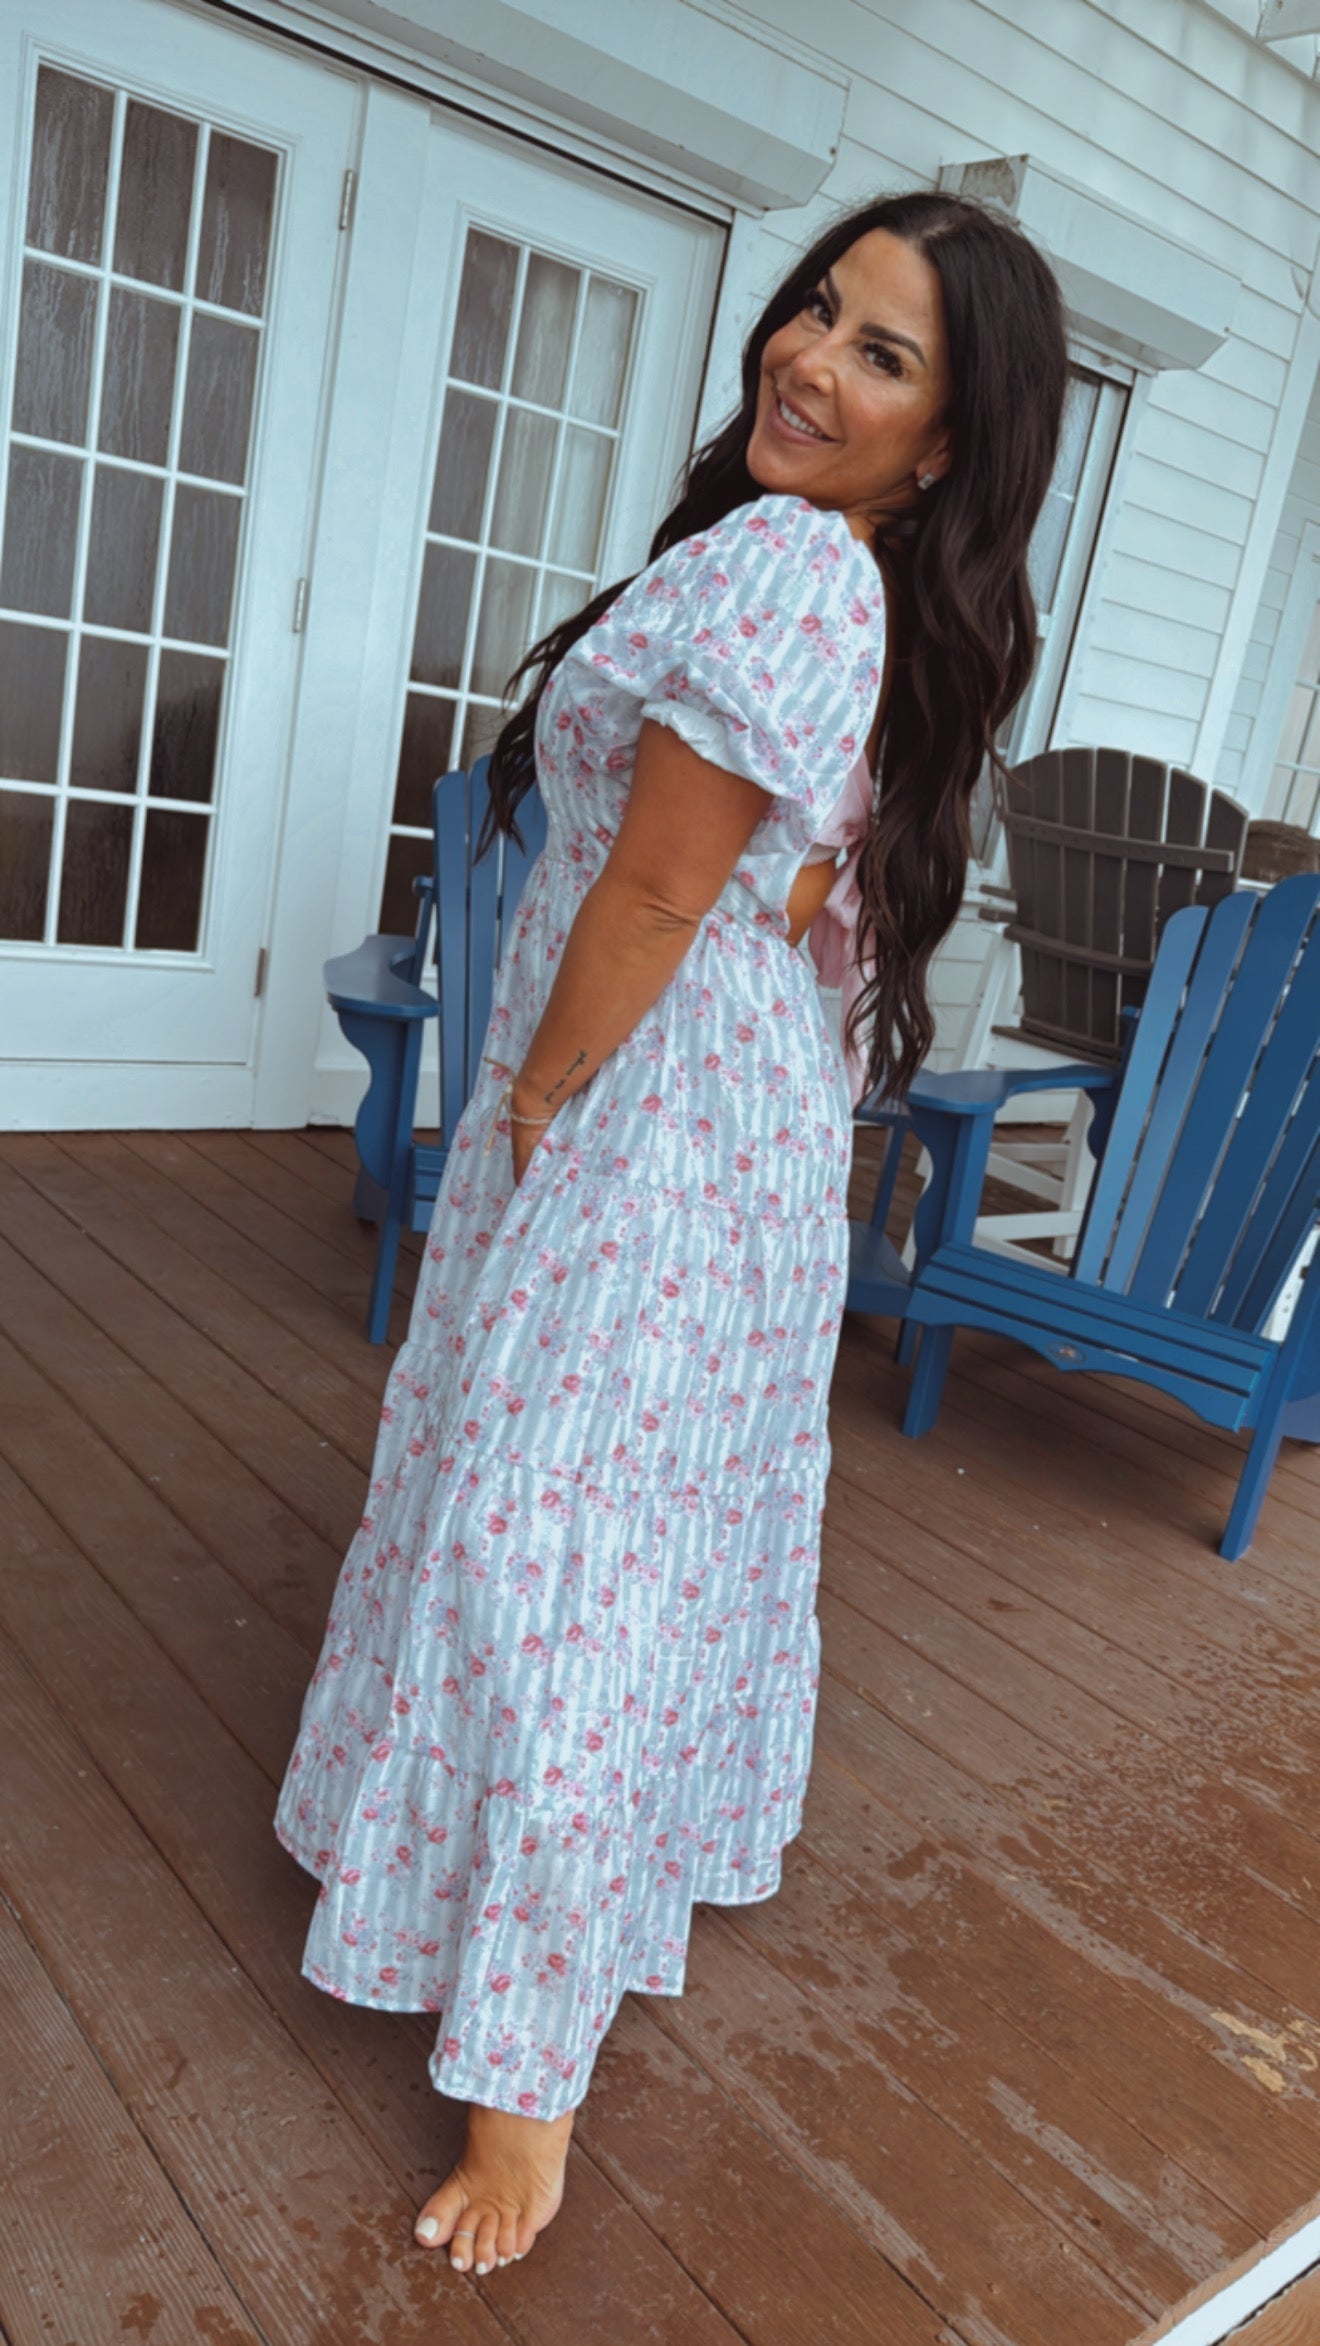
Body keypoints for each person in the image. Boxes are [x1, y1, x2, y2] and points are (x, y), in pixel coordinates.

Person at [275, 189, 1068, 2279]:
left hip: (642, 1126)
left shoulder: (794, 570)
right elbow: (791, 899)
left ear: (949, 443)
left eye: (884, 352)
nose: (812, 354)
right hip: (729, 1132)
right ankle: (571, 1872)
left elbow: (652, 894)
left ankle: (524, 2073)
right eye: (820, 306)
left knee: (547, 1538)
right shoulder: (850, 585)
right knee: (635, 1520)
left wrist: (532, 1098)